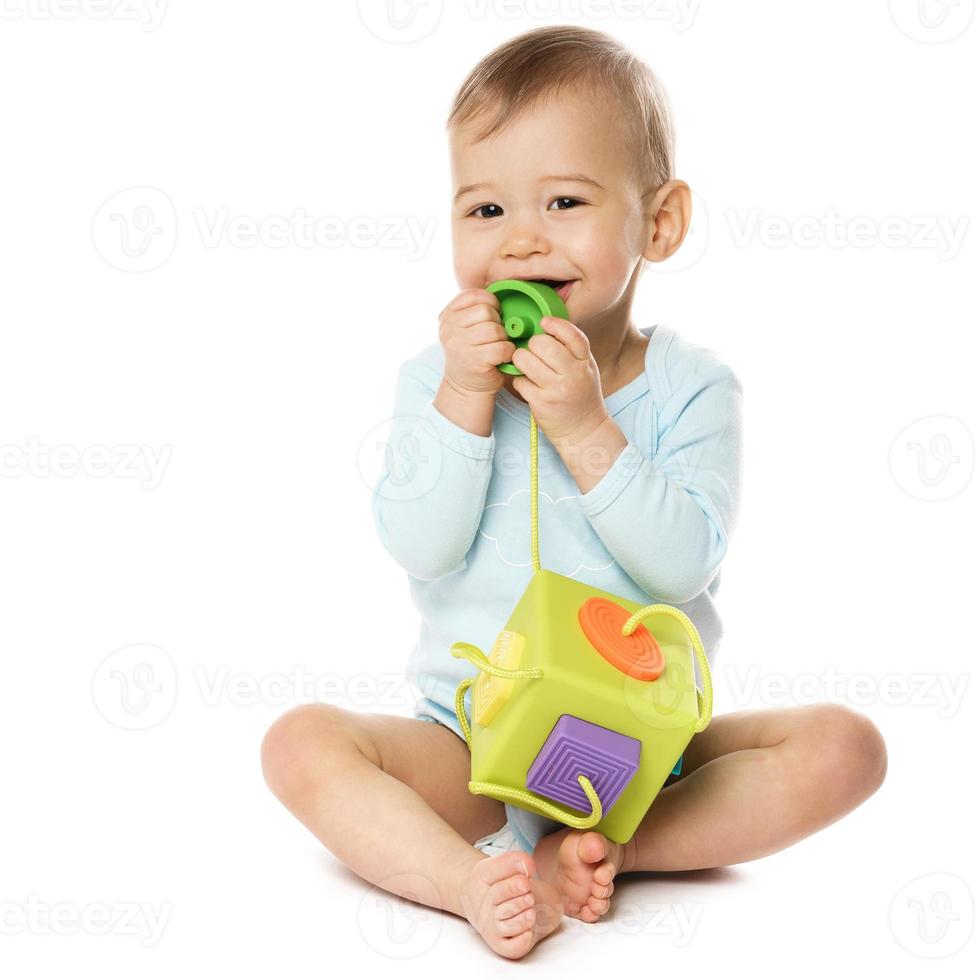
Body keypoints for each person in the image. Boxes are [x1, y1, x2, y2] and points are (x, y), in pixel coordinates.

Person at [261, 25, 887, 959]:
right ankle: (470, 877)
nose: (520, 239)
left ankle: (619, 847)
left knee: (848, 748)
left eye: (563, 200)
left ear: (659, 222)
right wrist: (464, 400)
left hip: (645, 753)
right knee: (299, 743)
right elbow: (417, 543)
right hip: (474, 746)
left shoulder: (693, 387)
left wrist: (590, 429)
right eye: (482, 210)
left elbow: (682, 564)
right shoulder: (437, 377)